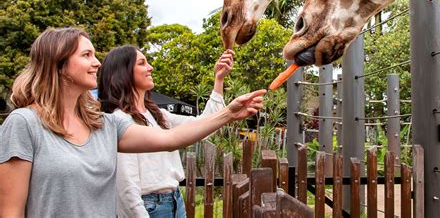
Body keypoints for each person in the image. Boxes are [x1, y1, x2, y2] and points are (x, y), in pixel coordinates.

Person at [0, 28, 265, 217]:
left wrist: (228, 113)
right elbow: (10, 210)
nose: (97, 63)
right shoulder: (24, 124)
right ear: (59, 65)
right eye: (86, 55)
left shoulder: (104, 125)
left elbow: (172, 139)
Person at [98, 45, 234, 217]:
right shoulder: (120, 121)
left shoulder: (157, 115)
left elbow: (203, 126)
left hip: (176, 202)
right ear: (123, 73)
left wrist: (219, 80)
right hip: (150, 207)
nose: (150, 67)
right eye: (142, 63)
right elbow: (127, 189)